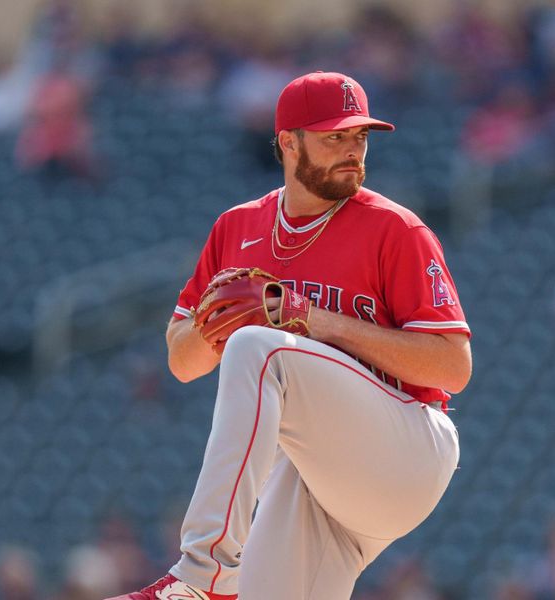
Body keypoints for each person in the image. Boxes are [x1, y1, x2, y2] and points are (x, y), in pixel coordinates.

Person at [108, 71, 471, 600]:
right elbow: (182, 362)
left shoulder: (396, 230)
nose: (353, 150)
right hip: (318, 477)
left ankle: (203, 576)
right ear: (287, 142)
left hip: (405, 451)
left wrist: (302, 315)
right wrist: (216, 323)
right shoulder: (237, 228)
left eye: (360, 137)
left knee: (259, 347)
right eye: (335, 137)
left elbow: (453, 367)